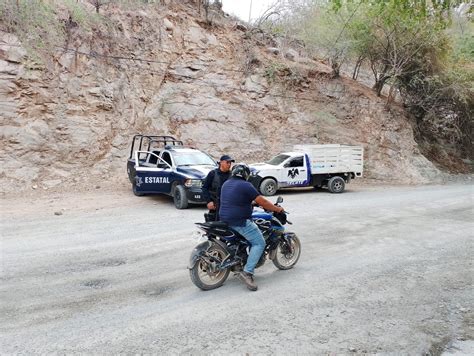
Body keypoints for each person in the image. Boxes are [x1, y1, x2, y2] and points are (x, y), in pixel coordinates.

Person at [219, 163, 285, 291]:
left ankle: (240, 260)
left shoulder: (227, 183)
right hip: (239, 221)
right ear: (245, 175)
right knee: (259, 242)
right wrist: (277, 209)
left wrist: (252, 202)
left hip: (224, 218)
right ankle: (247, 272)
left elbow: (236, 199)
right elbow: (263, 201)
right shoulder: (246, 185)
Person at [202, 154, 235, 221]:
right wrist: (209, 201)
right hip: (215, 206)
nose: (229, 165)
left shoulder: (232, 175)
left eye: (230, 163)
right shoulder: (213, 174)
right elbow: (205, 188)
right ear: (221, 163)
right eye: (227, 162)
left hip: (228, 206)